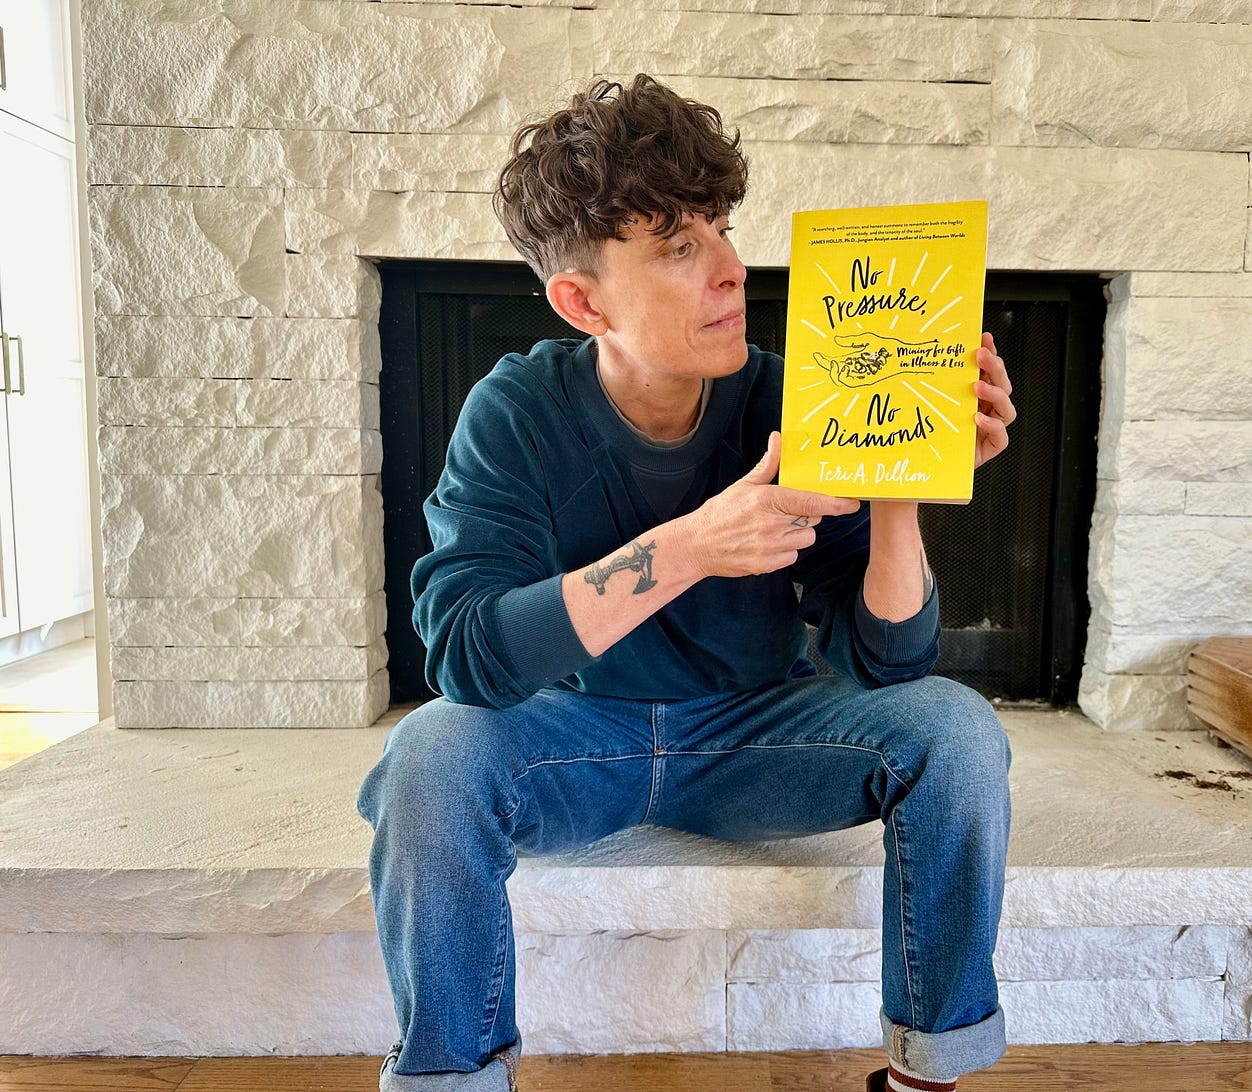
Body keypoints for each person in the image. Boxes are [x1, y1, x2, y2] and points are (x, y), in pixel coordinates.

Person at [356, 73, 1018, 1092]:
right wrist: (694, 544)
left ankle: (929, 1072)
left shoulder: (789, 393)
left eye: (718, 229)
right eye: (677, 245)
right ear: (582, 301)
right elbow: (467, 656)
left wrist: (902, 483)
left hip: (756, 737)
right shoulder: (517, 408)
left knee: (957, 727)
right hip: (576, 744)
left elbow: (888, 660)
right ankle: (452, 1079)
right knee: (429, 754)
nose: (731, 268)